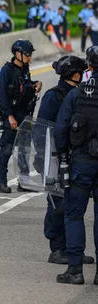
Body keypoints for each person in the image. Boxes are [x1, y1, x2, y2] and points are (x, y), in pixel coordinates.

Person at [37, 55, 95, 267]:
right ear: (76, 74)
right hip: (55, 158)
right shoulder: (55, 96)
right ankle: (57, 248)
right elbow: (42, 130)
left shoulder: (79, 94)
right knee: (57, 204)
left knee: (71, 205)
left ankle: (72, 250)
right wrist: (46, 158)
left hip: (75, 156)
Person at [54, 46, 98, 285]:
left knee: (74, 215)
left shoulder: (77, 94)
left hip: (81, 161)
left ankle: (75, 270)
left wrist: (62, 156)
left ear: (89, 67)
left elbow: (61, 130)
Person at [0, 40, 42, 193]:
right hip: (12, 115)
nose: (30, 58)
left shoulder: (25, 70)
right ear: (17, 54)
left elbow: (25, 86)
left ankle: (24, 181)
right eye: (27, 54)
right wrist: (9, 116)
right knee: (7, 148)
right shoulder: (7, 70)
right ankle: (1, 182)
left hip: (24, 115)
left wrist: (36, 84)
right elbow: (1, 94)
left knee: (24, 149)